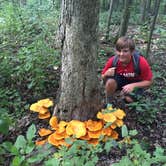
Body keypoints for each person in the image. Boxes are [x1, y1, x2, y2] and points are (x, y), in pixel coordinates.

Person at [101, 36, 153, 103]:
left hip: (136, 82)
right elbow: (102, 76)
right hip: (120, 80)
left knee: (129, 99)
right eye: (119, 51)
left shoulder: (140, 62)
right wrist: (105, 74)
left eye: (125, 51)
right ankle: (109, 104)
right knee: (110, 82)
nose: (121, 54)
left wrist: (133, 86)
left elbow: (149, 81)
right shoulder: (113, 60)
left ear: (132, 52)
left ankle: (124, 100)